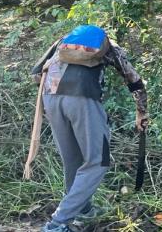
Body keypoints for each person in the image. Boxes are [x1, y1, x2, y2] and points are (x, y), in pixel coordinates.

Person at [31, 25, 148, 232]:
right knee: (97, 162)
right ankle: (58, 223)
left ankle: (83, 211)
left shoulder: (61, 42)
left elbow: (36, 74)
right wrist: (141, 111)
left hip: (50, 99)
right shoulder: (110, 46)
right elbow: (133, 79)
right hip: (82, 99)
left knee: (72, 160)